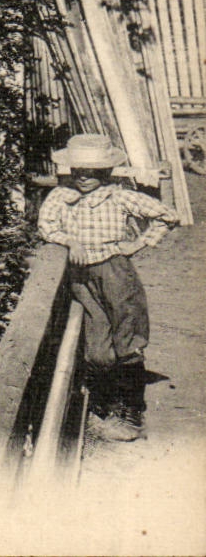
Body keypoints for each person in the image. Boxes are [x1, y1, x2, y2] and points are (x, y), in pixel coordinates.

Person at [37, 133, 180, 442]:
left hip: (115, 273)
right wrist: (70, 240)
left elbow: (168, 215)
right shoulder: (61, 196)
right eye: (78, 171)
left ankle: (131, 416)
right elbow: (46, 226)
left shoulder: (118, 196)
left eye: (92, 172)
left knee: (127, 340)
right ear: (70, 170)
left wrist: (140, 242)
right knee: (98, 348)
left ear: (106, 172)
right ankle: (105, 406)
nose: (84, 178)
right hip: (81, 278)